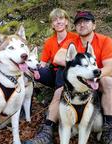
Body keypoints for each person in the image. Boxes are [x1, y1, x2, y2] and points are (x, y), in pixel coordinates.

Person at [54, 11, 112, 144]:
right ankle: (48, 126)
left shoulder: (105, 40)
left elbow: (109, 68)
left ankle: (109, 129)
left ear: (94, 25)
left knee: (107, 81)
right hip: (79, 82)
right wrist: (75, 64)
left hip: (99, 79)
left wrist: (92, 75)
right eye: (78, 22)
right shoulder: (72, 42)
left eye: (86, 21)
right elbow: (57, 58)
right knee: (59, 89)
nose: (82, 24)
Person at [23, 8, 78, 144]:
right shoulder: (49, 42)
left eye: (61, 19)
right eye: (55, 20)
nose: (58, 22)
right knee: (34, 71)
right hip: (54, 75)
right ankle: (23, 100)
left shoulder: (75, 38)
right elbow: (42, 63)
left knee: (61, 68)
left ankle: (48, 126)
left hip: (69, 75)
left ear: (66, 21)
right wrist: (30, 68)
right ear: (52, 24)